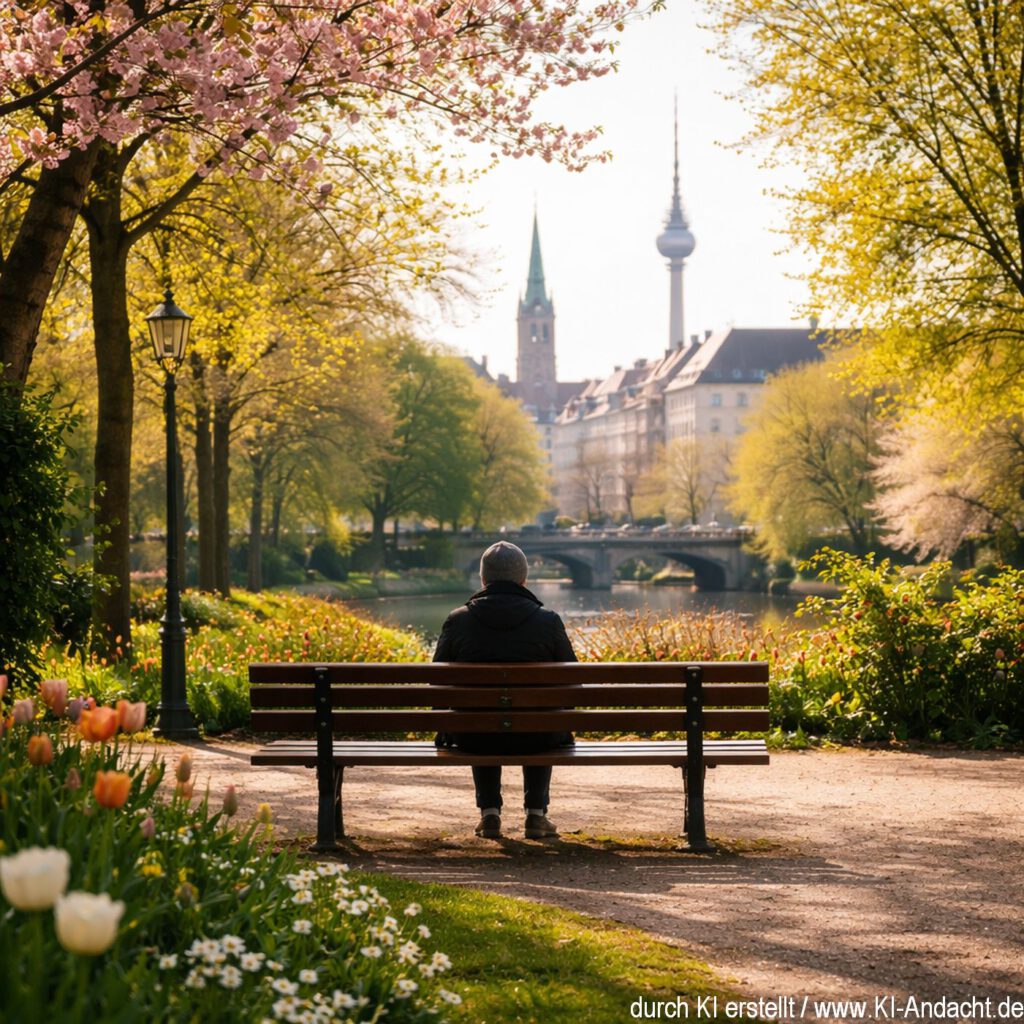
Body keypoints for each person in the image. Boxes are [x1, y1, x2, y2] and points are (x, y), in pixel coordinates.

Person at [432, 541, 576, 839]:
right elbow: (572, 681)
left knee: (477, 717)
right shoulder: (547, 620)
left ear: (483, 578)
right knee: (542, 715)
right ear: (524, 579)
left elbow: (438, 681)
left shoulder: (458, 620)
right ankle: (536, 814)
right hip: (540, 735)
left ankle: (489, 814)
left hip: (472, 734)